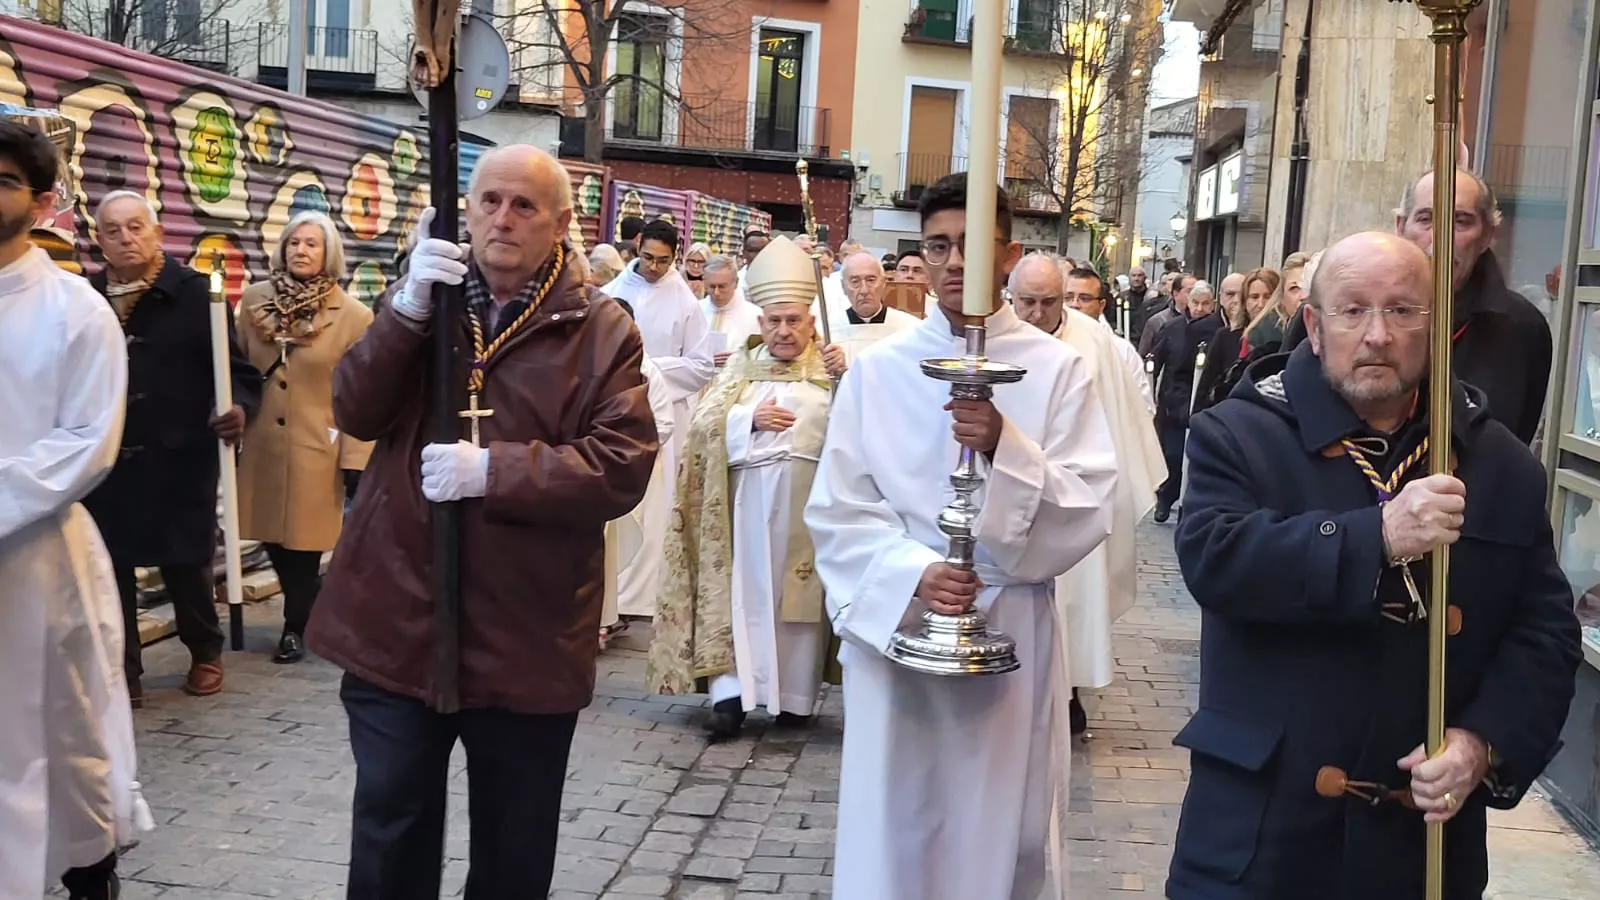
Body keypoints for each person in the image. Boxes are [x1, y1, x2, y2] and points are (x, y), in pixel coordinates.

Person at [1168, 232, 1581, 899]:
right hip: (1261, 839)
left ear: (1435, 325)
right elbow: (1217, 559)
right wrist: (1375, 536)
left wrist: (1482, 742)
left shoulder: (1496, 459)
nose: (1378, 334)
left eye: (1402, 311)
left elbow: (1545, 631)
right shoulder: (1238, 433)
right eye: (1353, 310)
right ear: (1314, 322)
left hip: (1419, 853)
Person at [305, 145, 659, 897]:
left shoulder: (600, 330)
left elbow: (621, 463)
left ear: (562, 223)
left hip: (526, 630)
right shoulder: (427, 302)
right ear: (463, 210)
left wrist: (495, 471)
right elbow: (355, 409)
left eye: (524, 206)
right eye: (488, 200)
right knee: (391, 827)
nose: (503, 218)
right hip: (399, 614)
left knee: (512, 848)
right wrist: (402, 312)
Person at [805, 173, 1117, 900]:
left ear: (1006, 254)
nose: (951, 263)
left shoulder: (1059, 369)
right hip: (904, 632)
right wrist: (913, 572)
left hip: (1007, 631)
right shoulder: (877, 372)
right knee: (897, 826)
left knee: (996, 833)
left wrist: (1007, 444)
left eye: (970, 247)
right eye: (936, 246)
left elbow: (1087, 505)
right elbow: (839, 507)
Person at [0, 121, 152, 900]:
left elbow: (88, 441)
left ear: (43, 201)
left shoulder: (75, 311)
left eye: (2, 181)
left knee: (65, 736)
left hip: (40, 565)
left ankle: (89, 877)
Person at [648, 235, 835, 739]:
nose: (783, 331)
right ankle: (730, 696)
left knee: (795, 602)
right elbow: (704, 429)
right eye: (774, 321)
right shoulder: (739, 370)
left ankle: (793, 698)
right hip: (741, 509)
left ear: (811, 324)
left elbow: (860, 434)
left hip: (807, 508)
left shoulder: (831, 373)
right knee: (739, 597)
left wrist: (849, 382)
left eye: (793, 320)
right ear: (761, 324)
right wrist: (747, 419)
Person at [85, 190, 262, 705]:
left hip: (179, 455)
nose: (127, 238)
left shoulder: (195, 294)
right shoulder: (85, 297)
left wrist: (235, 409)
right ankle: (124, 671)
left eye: (136, 226)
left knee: (186, 564)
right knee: (109, 570)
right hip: (107, 461)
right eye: (114, 230)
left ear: (157, 232)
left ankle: (205, 651)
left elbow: (238, 374)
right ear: (100, 241)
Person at [1013, 256, 1165, 736]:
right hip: (1012, 487)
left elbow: (1119, 419)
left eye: (1048, 302)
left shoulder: (1093, 342)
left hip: (1076, 489)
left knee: (1075, 600)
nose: (1037, 314)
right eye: (1027, 303)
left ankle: (1070, 690)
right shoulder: (993, 338)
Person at [236, 210, 374, 664]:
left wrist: (356, 457)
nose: (301, 250)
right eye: (294, 242)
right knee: (273, 537)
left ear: (328, 252)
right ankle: (313, 614)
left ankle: (296, 625)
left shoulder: (353, 316)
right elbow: (236, 369)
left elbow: (360, 391)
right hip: (262, 445)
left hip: (319, 445)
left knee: (306, 543)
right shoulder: (254, 302)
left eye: (312, 244)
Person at [1392, 169, 1552, 445]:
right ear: (1400, 227)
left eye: (1461, 222)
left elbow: (1511, 449)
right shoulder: (1342, 310)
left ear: (1487, 235)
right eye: (1426, 219)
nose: (1441, 237)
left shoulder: (1520, 328)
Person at [601, 219, 716, 477]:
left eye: (663, 260)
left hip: (665, 413)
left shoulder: (685, 302)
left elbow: (701, 366)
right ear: (638, 246)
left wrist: (648, 369)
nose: (653, 267)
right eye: (648, 257)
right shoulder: (610, 292)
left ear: (674, 256)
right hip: (612, 407)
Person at [1148, 278, 1221, 522]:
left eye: (1205, 303)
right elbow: (1156, 359)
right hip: (1173, 401)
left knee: (1192, 458)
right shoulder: (1172, 327)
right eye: (1195, 303)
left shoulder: (1217, 331)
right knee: (1172, 454)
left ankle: (1187, 505)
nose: (1199, 309)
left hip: (1200, 400)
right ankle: (1166, 497)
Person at [1196, 268, 1279, 414]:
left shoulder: (1282, 338)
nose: (1260, 304)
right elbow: (1204, 391)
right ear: (1245, 302)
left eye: (1267, 296)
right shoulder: (1226, 336)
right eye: (1254, 297)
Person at [825, 250, 920, 371]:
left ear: (883, 283)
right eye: (855, 282)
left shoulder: (910, 328)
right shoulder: (828, 330)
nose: (864, 290)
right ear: (843, 287)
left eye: (870, 280)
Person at [701, 253, 762, 366]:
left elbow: (761, 359)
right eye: (712, 286)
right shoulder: (695, 311)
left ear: (736, 283)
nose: (716, 293)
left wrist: (736, 361)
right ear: (704, 283)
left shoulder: (755, 316)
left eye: (722, 286)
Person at [1139, 273, 1193, 357]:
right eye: (1190, 291)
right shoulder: (1157, 321)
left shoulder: (1203, 320)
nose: (1194, 295)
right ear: (1176, 294)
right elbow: (1144, 354)